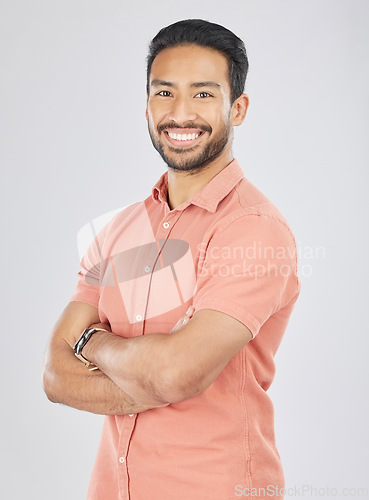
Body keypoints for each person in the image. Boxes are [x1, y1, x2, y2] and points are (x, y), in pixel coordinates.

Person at [43, 19, 300, 500]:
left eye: (203, 95)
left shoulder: (253, 230)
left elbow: (177, 372)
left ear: (238, 108)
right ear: (146, 105)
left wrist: (91, 343)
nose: (181, 114)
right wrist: (154, 377)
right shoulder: (118, 230)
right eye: (164, 93)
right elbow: (56, 375)